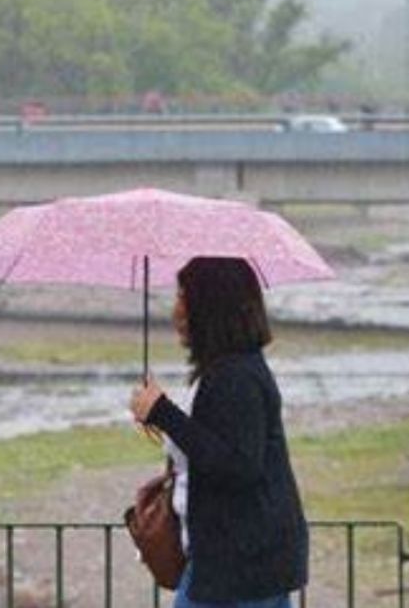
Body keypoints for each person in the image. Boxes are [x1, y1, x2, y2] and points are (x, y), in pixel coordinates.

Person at [129, 257, 308, 608]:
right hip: (236, 560)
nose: (176, 310)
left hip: (240, 566)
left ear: (209, 307)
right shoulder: (228, 371)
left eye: (183, 297)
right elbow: (213, 446)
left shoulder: (235, 377)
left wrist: (164, 412)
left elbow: (238, 465)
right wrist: (159, 416)